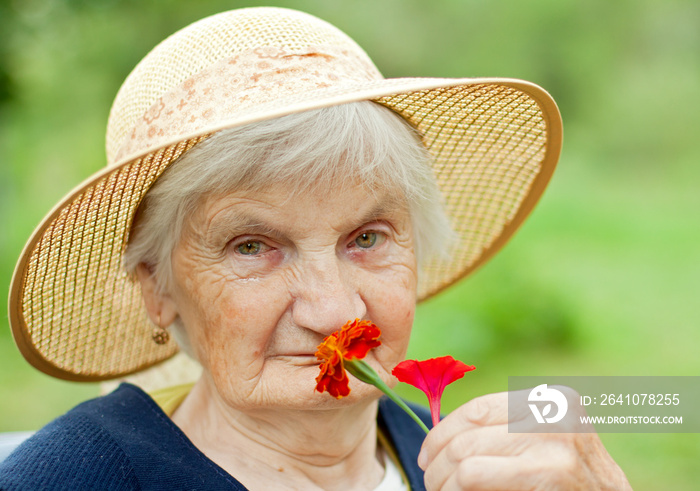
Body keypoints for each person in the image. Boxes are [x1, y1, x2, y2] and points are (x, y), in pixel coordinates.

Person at [1, 7, 630, 490]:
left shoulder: (458, 458)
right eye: (252, 247)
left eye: (367, 238)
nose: (332, 313)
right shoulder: (66, 477)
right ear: (157, 290)